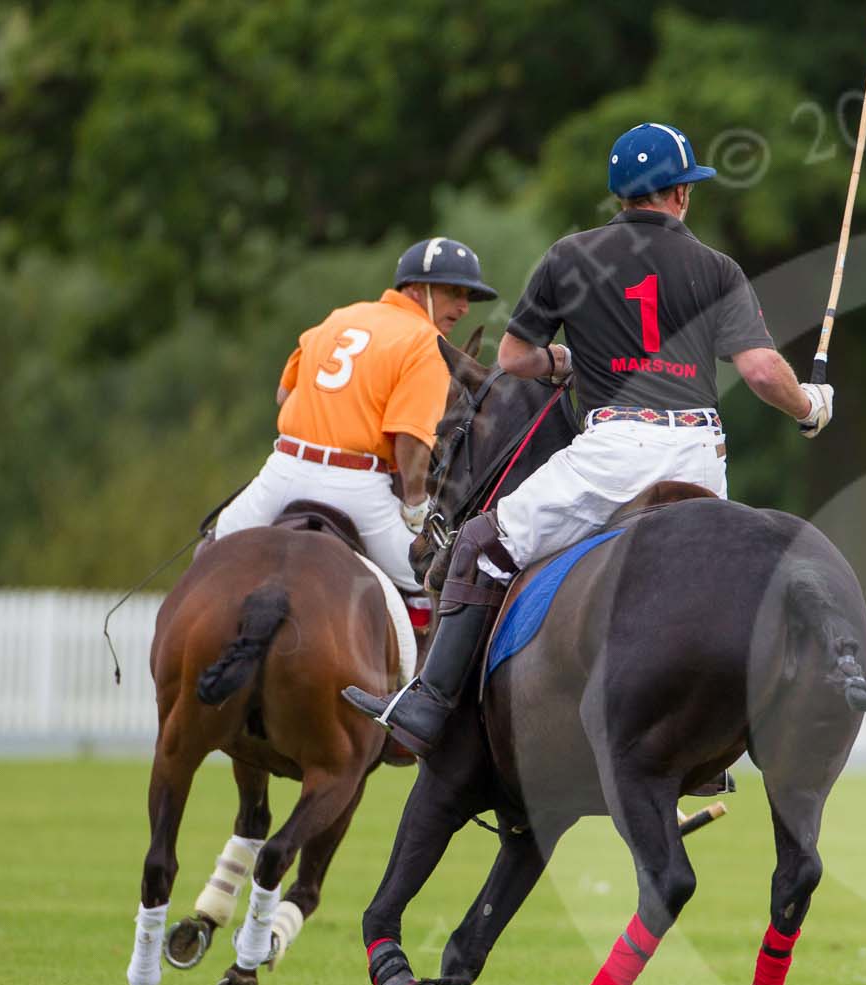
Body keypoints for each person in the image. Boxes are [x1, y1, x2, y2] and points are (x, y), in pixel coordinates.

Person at [343, 121, 833, 756]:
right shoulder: (717, 269)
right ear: (680, 195)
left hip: (612, 454)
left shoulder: (571, 257)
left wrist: (566, 362)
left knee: (479, 543)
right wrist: (810, 406)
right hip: (699, 458)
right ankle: (717, 744)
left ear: (621, 196)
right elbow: (764, 371)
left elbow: (515, 358)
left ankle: (429, 706)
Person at [212, 238, 496, 621]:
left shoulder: (339, 317)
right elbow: (411, 443)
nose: (463, 307)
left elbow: (284, 394)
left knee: (215, 548)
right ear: (416, 290)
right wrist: (415, 510)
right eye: (454, 292)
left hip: (282, 472)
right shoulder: (427, 342)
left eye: (468, 298)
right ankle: (424, 681)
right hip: (355, 489)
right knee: (429, 580)